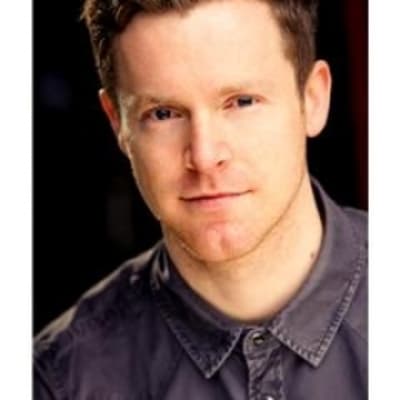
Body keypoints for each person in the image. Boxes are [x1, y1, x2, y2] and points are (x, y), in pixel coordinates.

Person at [34, 0, 367, 399]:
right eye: (163, 114)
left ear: (313, 99)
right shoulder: (58, 383)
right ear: (117, 123)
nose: (205, 156)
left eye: (242, 101)